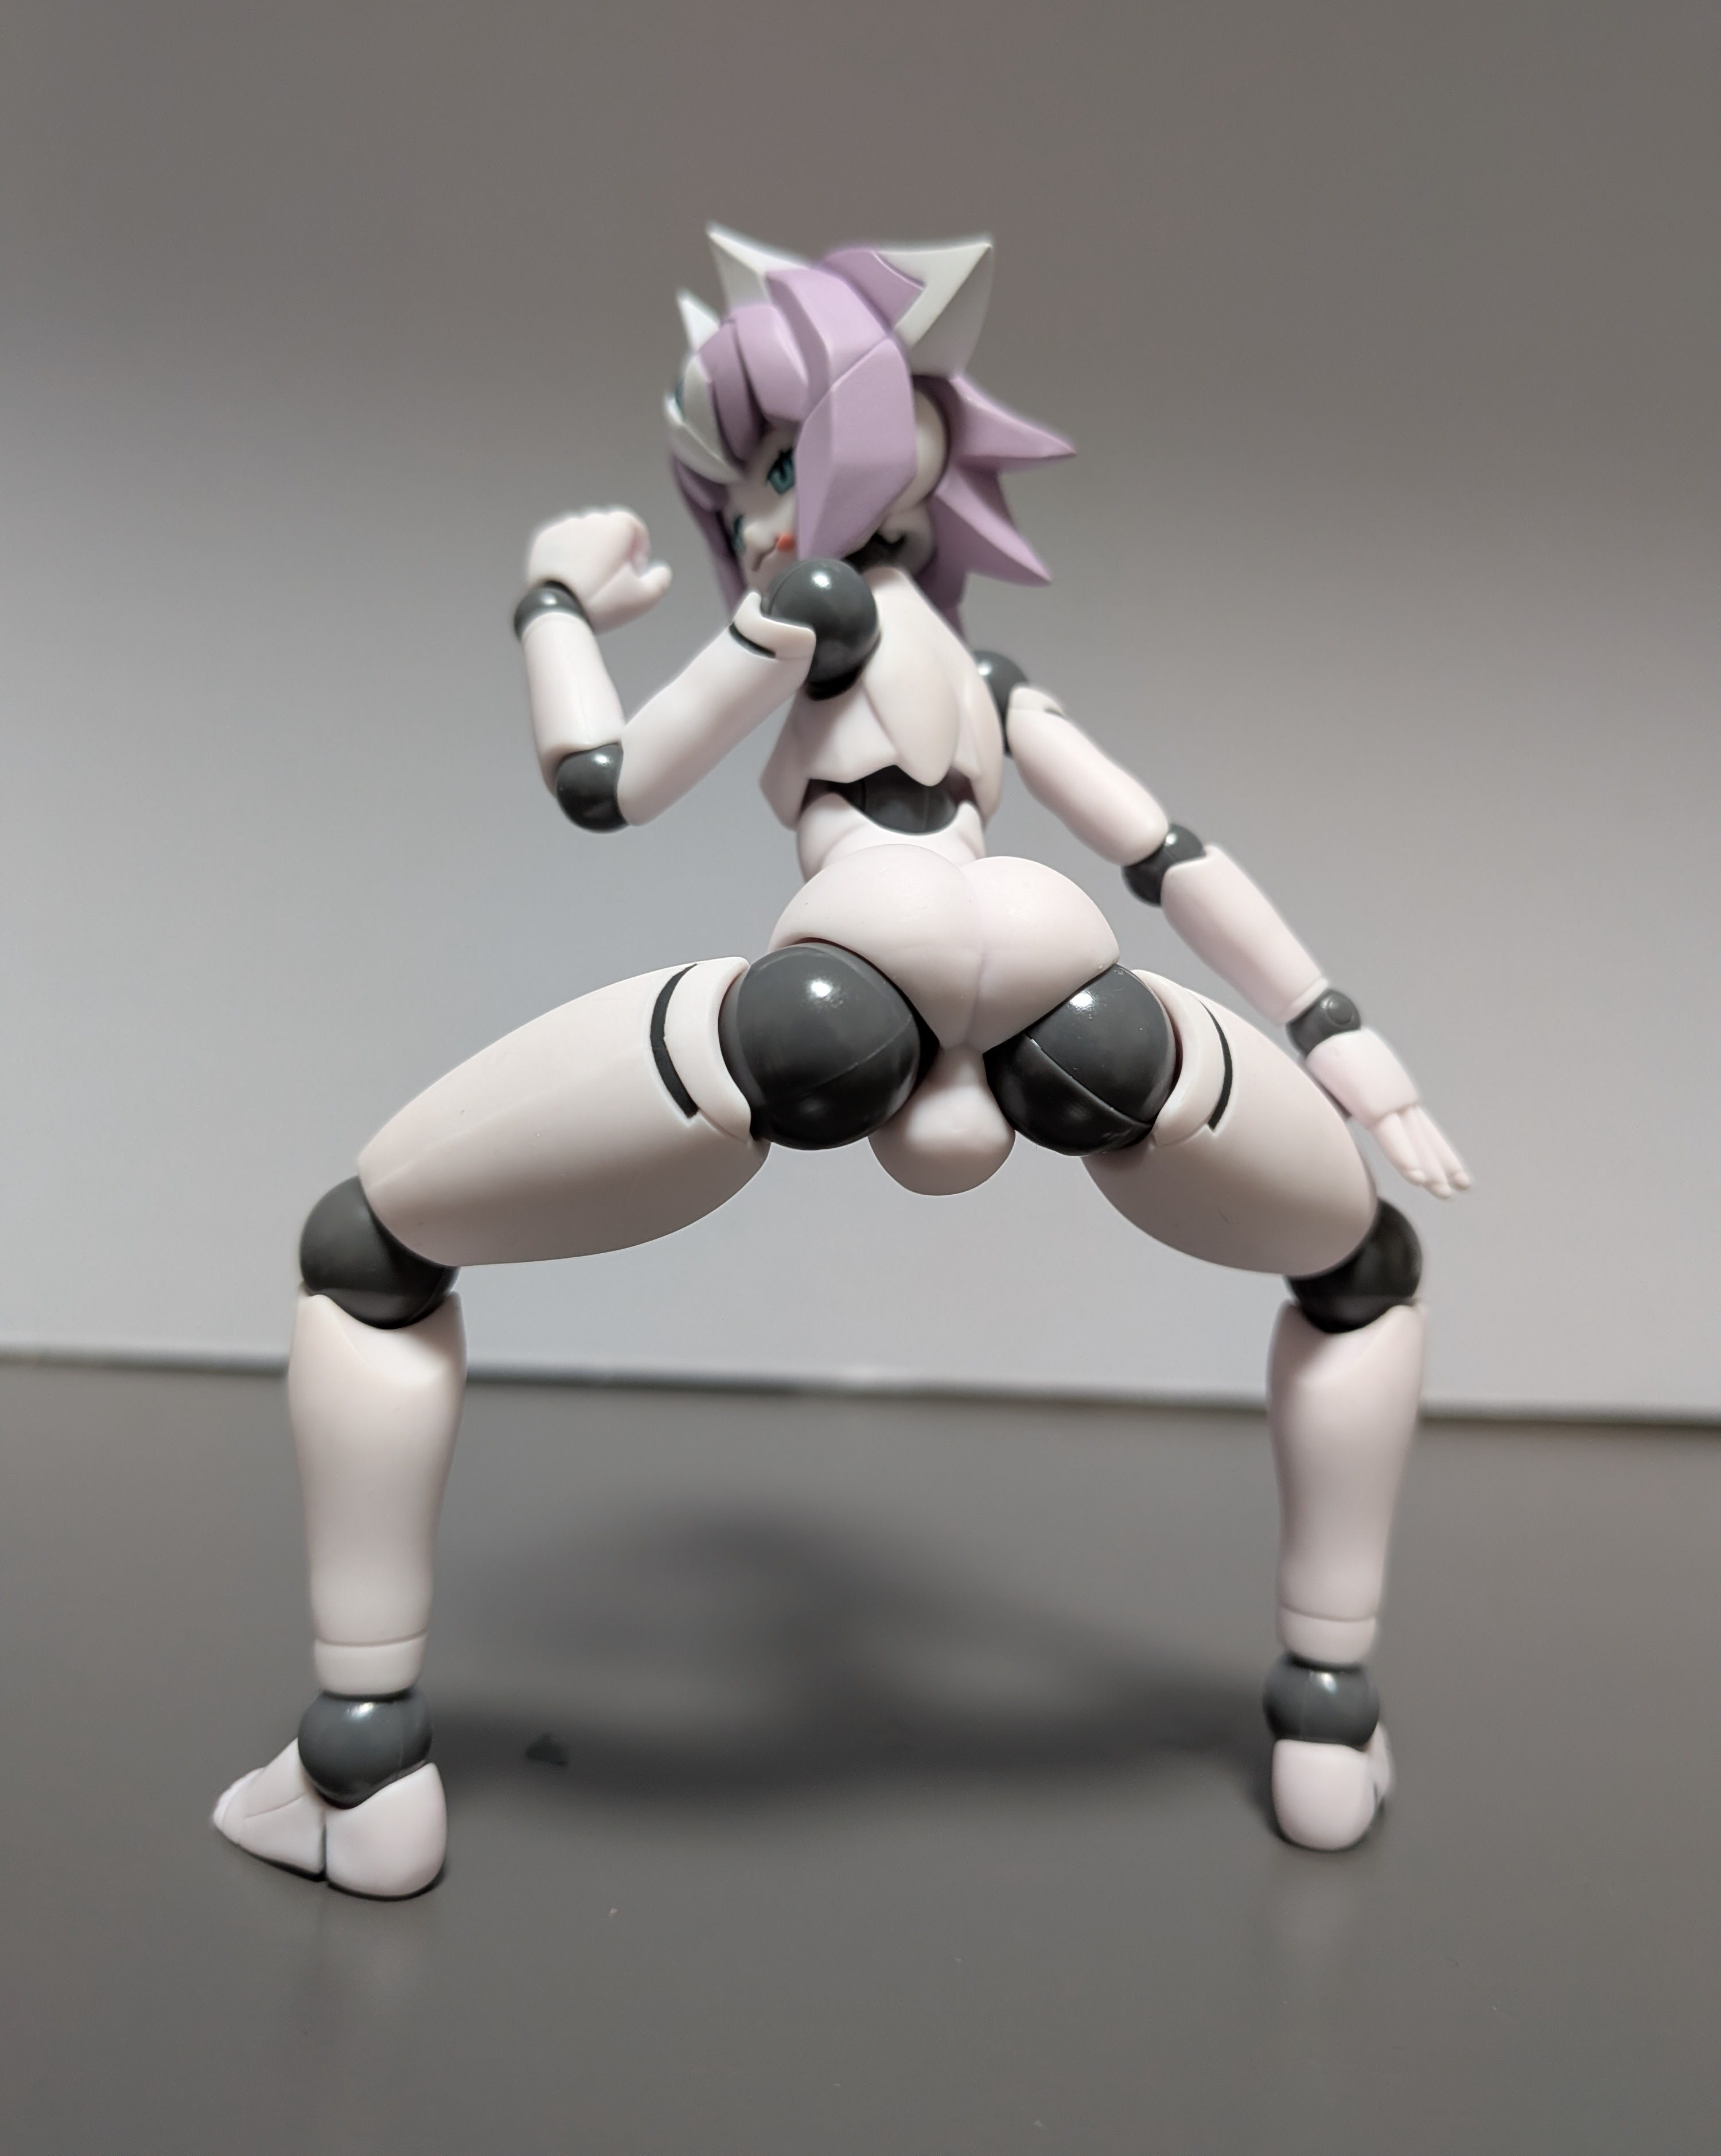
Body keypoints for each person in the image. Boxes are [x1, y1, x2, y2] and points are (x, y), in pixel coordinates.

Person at [215, 227, 1468, 1897]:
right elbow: (1167, 856)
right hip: (1069, 992)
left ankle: (360, 1770)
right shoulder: (990, 678)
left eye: (763, 469)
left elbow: (603, 781)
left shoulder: (808, 612)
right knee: (1363, 1273)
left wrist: (551, 603)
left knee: (366, 1251)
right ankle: (1328, 1719)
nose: (748, 515)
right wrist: (1341, 1038)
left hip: (843, 992)